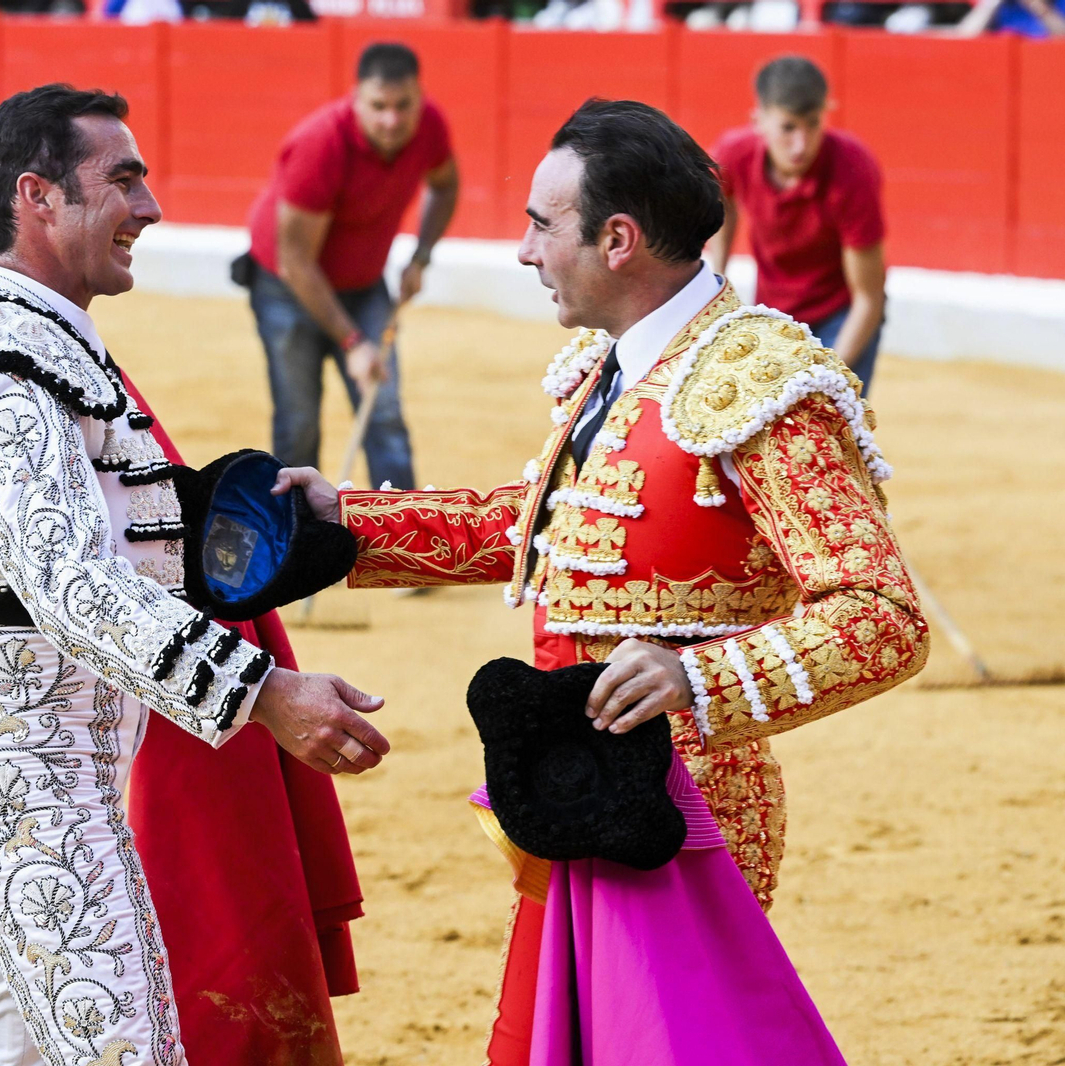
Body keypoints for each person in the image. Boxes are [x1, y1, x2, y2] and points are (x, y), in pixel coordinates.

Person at [278, 98, 929, 1063]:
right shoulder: (612, 366)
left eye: (543, 224)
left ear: (618, 240)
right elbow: (549, 527)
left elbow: (883, 616)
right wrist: (351, 525)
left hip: (687, 807)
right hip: (570, 784)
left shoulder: (755, 386)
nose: (525, 251)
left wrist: (698, 680)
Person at [0, 84, 390, 1066]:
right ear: (38, 197)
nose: (148, 207)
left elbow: (108, 549)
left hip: (41, 782)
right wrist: (265, 690)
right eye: (122, 180)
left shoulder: (38, 347)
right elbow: (68, 581)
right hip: (34, 798)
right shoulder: (1, 363)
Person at [241, 41, 459, 490]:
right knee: (298, 421)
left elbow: (446, 184)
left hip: (363, 284)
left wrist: (421, 255)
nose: (391, 120)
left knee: (384, 414)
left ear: (420, 95)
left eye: (403, 105)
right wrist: (353, 341)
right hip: (285, 288)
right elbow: (295, 262)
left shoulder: (430, 126)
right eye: (378, 105)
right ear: (356, 96)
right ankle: (298, 542)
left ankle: (407, 537)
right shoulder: (320, 143)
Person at [706, 56, 888, 394]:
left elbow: (868, 299)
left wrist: (830, 380)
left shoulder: (853, 172)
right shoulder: (734, 154)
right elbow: (721, 200)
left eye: (813, 124)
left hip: (841, 314)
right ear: (759, 121)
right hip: (774, 313)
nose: (801, 145)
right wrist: (718, 274)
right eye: (788, 128)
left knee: (836, 424)